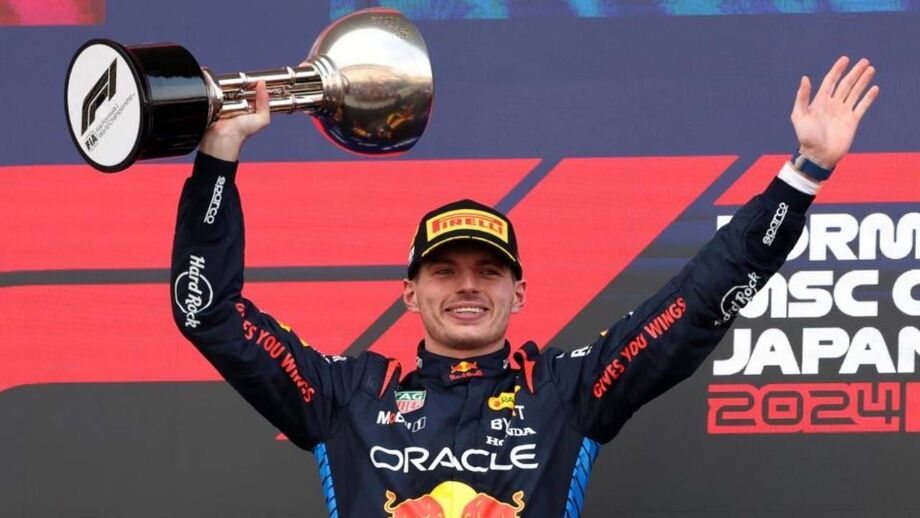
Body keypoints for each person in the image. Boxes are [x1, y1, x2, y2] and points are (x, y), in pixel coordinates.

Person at [170, 57, 878, 517]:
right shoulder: (345, 396)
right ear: (410, 294)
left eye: (489, 271)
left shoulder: (566, 391)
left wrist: (803, 175)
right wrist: (219, 155)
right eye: (443, 271)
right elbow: (206, 312)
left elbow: (692, 308)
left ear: (520, 293)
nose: (467, 287)